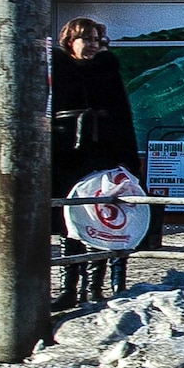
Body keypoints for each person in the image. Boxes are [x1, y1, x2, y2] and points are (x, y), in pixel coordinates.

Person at [51, 17, 141, 311]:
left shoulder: (107, 70)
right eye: (85, 39)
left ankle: (94, 288)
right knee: (69, 222)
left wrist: (126, 160)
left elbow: (123, 115)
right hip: (65, 155)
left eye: (95, 40)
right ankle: (68, 289)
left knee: (99, 218)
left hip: (103, 153)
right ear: (69, 41)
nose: (91, 45)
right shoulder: (56, 69)